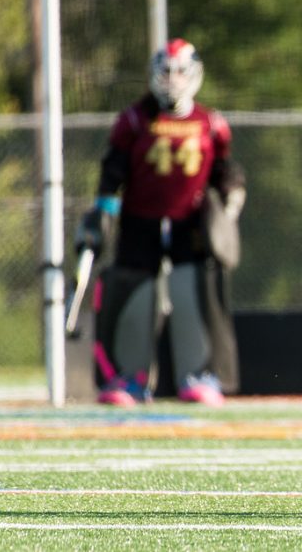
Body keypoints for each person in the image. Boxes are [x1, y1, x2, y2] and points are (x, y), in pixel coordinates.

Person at [75, 38, 246, 407]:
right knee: (137, 294)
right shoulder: (136, 120)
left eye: (180, 72)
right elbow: (113, 172)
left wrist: (231, 204)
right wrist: (103, 211)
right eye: (166, 72)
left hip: (190, 225)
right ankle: (130, 376)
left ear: (195, 74)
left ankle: (198, 373)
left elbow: (224, 171)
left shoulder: (210, 123)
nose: (173, 80)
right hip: (140, 222)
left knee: (191, 294)